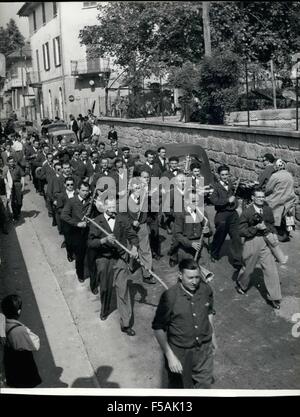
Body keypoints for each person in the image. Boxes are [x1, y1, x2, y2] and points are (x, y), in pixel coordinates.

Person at [152, 259, 216, 388]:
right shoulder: (169, 296)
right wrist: (170, 356)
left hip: (203, 349)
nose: (194, 282)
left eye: (197, 277)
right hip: (181, 353)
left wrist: (213, 337)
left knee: (205, 385)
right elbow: (158, 328)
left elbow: (209, 312)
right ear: (180, 276)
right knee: (181, 388)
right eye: (190, 278)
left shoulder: (205, 290)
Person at [87, 196, 139, 335]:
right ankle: (105, 309)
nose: (112, 210)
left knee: (123, 290)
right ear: (103, 207)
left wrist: (134, 247)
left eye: (114, 207)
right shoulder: (97, 221)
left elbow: (133, 236)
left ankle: (125, 323)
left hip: (120, 258)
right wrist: (103, 240)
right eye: (109, 208)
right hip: (104, 259)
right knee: (105, 288)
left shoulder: (122, 219)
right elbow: (90, 243)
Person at [235, 188, 283, 309]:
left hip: (265, 241)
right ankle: (241, 284)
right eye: (259, 197)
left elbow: (271, 223)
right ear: (253, 198)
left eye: (263, 197)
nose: (261, 199)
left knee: (271, 269)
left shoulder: (267, 209)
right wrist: (256, 228)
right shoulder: (247, 212)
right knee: (248, 268)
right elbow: (241, 231)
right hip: (252, 241)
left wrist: (272, 232)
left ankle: (275, 297)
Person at [1, 294, 42, 388]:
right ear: (19, 311)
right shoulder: (20, 331)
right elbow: (36, 344)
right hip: (23, 368)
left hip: (10, 365)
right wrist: (26, 330)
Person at [210, 164, 242, 269]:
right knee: (220, 237)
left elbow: (234, 197)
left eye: (226, 174)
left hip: (233, 215)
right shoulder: (214, 186)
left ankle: (237, 261)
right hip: (222, 215)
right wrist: (227, 201)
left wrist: (235, 203)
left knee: (236, 237)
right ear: (219, 175)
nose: (225, 177)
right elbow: (214, 201)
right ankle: (214, 253)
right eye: (222, 175)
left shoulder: (231, 184)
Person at [61, 181, 91, 282]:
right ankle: (80, 275)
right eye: (83, 190)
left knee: (90, 254)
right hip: (76, 232)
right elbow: (64, 215)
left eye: (87, 191)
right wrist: (76, 223)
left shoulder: (90, 201)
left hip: (88, 232)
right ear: (78, 190)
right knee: (80, 256)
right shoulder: (71, 201)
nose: (85, 193)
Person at [265, 158, 297, 242]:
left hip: (278, 199)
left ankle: (269, 227)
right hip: (289, 200)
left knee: (266, 205)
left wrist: (266, 192)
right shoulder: (289, 175)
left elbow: (268, 188)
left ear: (276, 167)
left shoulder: (275, 176)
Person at [2, 156, 25, 221]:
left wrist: (23, 186)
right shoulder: (5, 169)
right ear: (8, 162)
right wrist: (6, 189)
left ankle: (18, 211)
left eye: (12, 161)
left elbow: (22, 177)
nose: (11, 163)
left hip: (17, 184)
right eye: (10, 162)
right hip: (10, 186)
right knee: (13, 201)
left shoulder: (18, 167)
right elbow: (3, 178)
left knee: (20, 201)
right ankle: (15, 215)